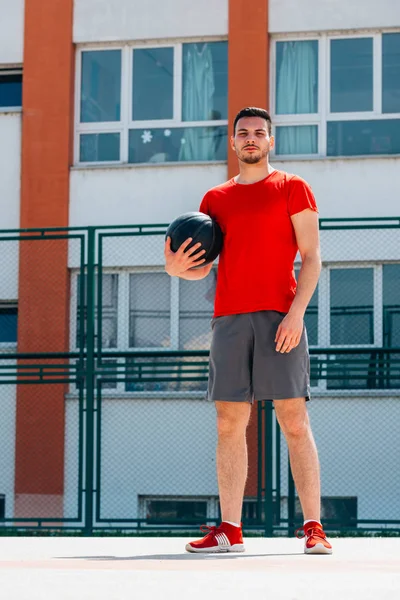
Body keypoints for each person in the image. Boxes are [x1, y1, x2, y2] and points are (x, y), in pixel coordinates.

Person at [164, 106, 332, 555]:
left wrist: (297, 314)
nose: (252, 138)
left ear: (270, 141)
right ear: (233, 142)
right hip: (229, 319)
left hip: (281, 317)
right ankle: (230, 530)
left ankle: (313, 527)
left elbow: (312, 257)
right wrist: (176, 270)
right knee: (228, 421)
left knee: (293, 420)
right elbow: (203, 267)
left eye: (260, 132)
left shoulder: (293, 188)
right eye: (244, 133)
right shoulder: (214, 199)